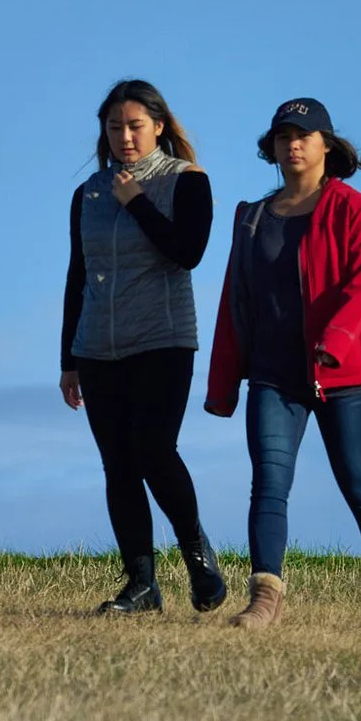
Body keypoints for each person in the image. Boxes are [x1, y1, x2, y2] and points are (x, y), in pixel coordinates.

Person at [204, 98, 361, 629]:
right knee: (269, 484)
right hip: (274, 375)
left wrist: (336, 339)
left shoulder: (353, 208)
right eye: (282, 137)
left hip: (345, 372)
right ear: (271, 148)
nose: (292, 145)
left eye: (304, 135)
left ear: (327, 145)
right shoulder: (251, 217)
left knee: (360, 486)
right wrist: (224, 382)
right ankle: (264, 600)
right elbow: (235, 300)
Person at [61, 79, 226, 615]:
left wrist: (134, 202)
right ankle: (141, 585)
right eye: (114, 128)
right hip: (98, 348)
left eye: (134, 126)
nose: (124, 137)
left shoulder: (187, 182)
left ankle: (198, 556)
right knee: (118, 465)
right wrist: (68, 359)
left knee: (154, 451)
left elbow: (188, 253)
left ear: (158, 125)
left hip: (163, 339)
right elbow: (77, 275)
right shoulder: (86, 195)